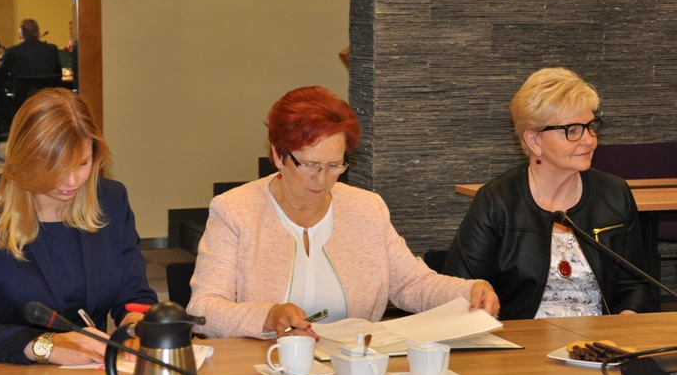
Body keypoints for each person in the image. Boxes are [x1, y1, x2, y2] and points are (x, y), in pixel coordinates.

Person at [186, 86, 499, 339]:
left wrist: (467, 291)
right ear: (279, 156)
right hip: (264, 368)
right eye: (310, 165)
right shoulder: (235, 210)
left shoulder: (366, 208)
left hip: (353, 366)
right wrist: (268, 316)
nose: (322, 180)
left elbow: (411, 284)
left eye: (335, 165)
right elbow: (203, 310)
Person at [0, 88, 158, 364]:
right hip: (6, 374)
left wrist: (136, 326)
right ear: (25, 159)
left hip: (89, 374)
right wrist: (45, 345)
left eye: (83, 163)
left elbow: (135, 295)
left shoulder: (111, 200)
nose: (72, 181)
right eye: (57, 167)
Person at [443, 67, 654, 320]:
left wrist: (627, 320)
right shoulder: (497, 201)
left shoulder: (614, 194)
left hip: (599, 340)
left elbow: (635, 285)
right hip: (521, 340)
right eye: (572, 130)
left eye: (591, 126)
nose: (589, 140)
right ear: (534, 140)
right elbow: (460, 289)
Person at [0, 18, 62, 92]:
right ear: (39, 33)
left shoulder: (12, 52)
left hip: (21, 98)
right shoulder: (52, 49)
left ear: (19, 36)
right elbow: (58, 76)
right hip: (47, 97)